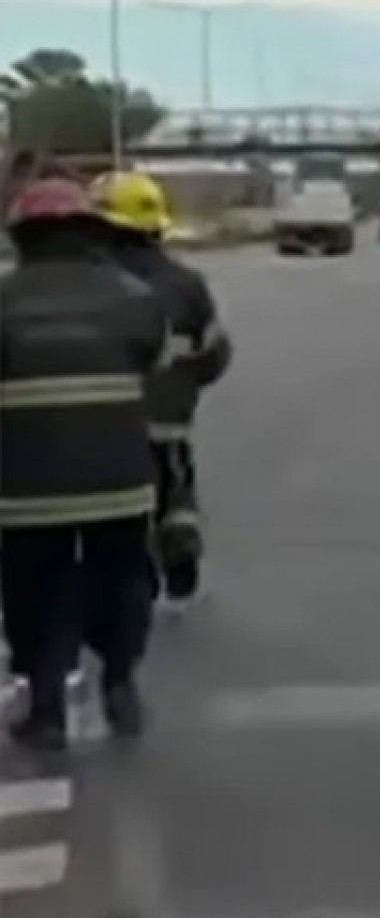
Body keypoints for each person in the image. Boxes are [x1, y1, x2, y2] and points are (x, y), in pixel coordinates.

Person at [0, 179, 169, 750]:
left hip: (25, 487)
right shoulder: (135, 297)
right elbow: (158, 368)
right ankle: (120, 681)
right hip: (119, 477)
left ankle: (46, 709)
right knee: (122, 577)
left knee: (34, 589)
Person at [90, 171, 233, 618]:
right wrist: (184, 384)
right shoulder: (187, 284)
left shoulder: (89, 283)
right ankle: (179, 545)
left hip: (99, 421)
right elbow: (213, 353)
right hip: (167, 417)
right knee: (173, 483)